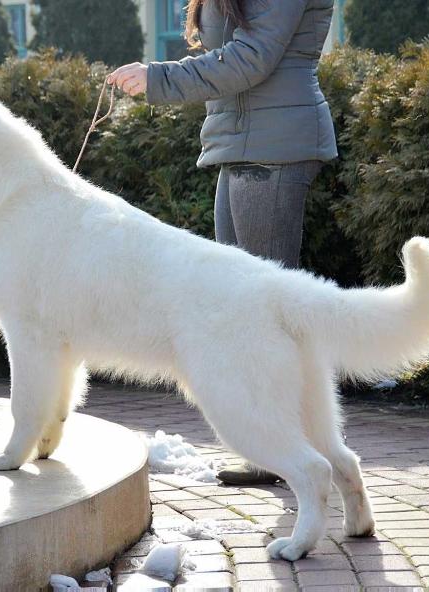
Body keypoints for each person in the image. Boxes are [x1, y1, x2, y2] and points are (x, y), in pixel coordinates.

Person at [108, 0, 337, 485]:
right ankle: (276, 448)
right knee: (243, 312)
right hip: (240, 145)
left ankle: (292, 451)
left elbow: (251, 58)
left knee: (268, 317)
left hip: (274, 147)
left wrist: (160, 78)